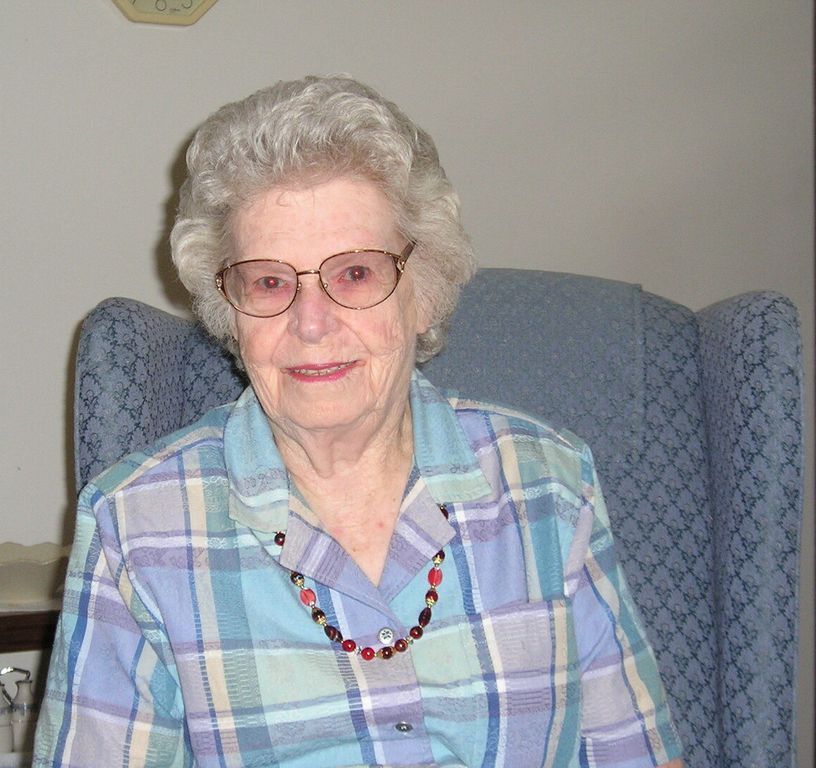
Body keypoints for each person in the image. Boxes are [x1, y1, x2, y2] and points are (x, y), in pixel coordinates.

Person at [34, 75, 684, 767]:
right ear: (230, 309)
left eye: (354, 274)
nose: (311, 324)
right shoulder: (136, 525)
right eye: (270, 282)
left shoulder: (547, 483)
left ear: (423, 292)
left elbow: (637, 754)